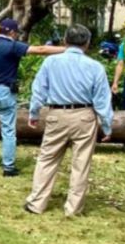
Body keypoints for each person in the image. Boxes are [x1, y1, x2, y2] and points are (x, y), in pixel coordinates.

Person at [24, 25, 114, 216]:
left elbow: (39, 89)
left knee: (47, 159)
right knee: (81, 163)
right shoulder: (96, 67)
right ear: (87, 44)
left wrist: (34, 113)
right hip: (85, 116)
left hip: (57, 114)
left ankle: (37, 203)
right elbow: (102, 99)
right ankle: (73, 208)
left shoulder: (51, 62)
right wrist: (106, 125)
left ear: (65, 41)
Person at [0, 18, 65, 176]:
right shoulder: (13, 46)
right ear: (12, 32)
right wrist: (67, 49)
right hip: (4, 91)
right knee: (8, 130)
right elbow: (40, 50)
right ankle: (8, 167)